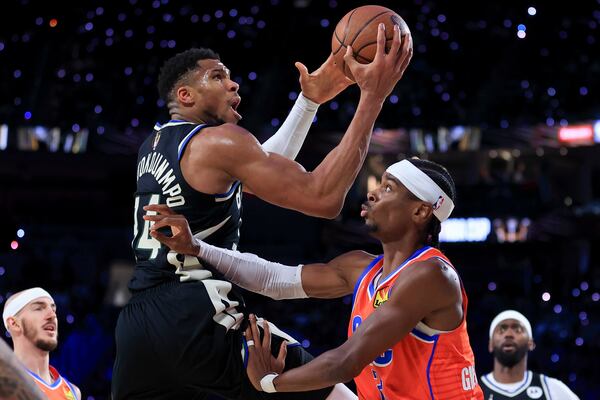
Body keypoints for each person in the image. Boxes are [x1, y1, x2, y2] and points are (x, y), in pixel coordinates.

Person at [112, 22, 413, 400]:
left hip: (137, 327)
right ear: (185, 95)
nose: (233, 84)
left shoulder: (154, 145)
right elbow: (324, 197)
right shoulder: (221, 141)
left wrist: (310, 101)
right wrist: (372, 97)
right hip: (196, 314)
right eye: (217, 76)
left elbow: (260, 169)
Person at [145, 158, 484, 399]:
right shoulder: (360, 268)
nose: (372, 193)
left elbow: (345, 362)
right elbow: (274, 279)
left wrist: (268, 383)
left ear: (421, 211)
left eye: (388, 188)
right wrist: (198, 247)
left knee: (295, 378)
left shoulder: (431, 274)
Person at [480, 310, 579, 399]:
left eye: (517, 330)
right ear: (490, 344)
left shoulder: (551, 388)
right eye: (501, 330)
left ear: (530, 343)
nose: (508, 334)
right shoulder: (474, 390)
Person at [3, 287, 81, 400]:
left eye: (54, 310)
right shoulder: (5, 384)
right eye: (39, 308)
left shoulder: (74, 392)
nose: (52, 315)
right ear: (14, 324)